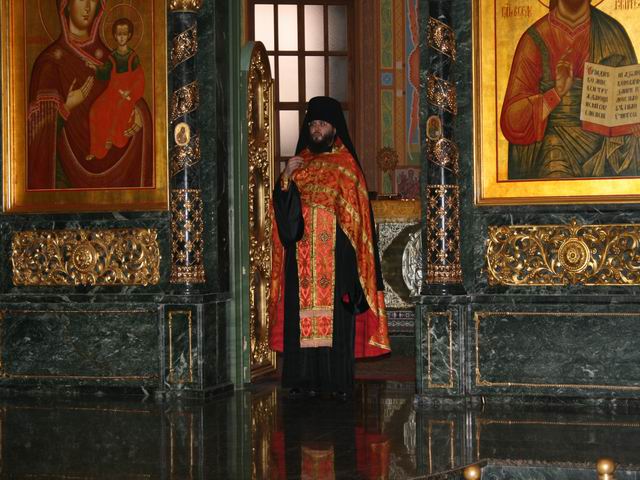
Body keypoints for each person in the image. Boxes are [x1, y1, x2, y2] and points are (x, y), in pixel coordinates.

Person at [268, 96, 391, 400]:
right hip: (301, 261)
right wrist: (285, 178)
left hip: (338, 259)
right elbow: (284, 220)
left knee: (337, 320)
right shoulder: (299, 165)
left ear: (334, 128)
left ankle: (337, 382)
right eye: (312, 123)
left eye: (322, 124)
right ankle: (301, 379)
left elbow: (359, 221)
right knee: (299, 319)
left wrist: (353, 263)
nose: (316, 129)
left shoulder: (347, 166)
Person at [500, 0, 640, 179]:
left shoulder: (613, 34)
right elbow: (512, 122)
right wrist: (556, 93)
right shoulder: (535, 38)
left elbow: (633, 102)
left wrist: (632, 119)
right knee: (553, 155)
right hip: (553, 148)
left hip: (606, 151)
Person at [27, 0, 153, 189]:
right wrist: (67, 107)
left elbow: (129, 90)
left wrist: (138, 112)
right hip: (66, 181)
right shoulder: (50, 64)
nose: (87, 7)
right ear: (66, 5)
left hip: (120, 180)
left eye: (93, 0)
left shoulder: (110, 58)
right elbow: (36, 138)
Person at [86, 17, 145, 161]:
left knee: (119, 107)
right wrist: (95, 68)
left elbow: (139, 78)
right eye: (119, 34)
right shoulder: (112, 57)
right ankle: (96, 150)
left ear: (129, 35)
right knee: (95, 110)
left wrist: (130, 92)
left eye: (124, 34)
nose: (122, 37)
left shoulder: (132, 57)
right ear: (114, 35)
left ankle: (112, 138)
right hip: (112, 91)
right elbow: (105, 73)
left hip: (127, 93)